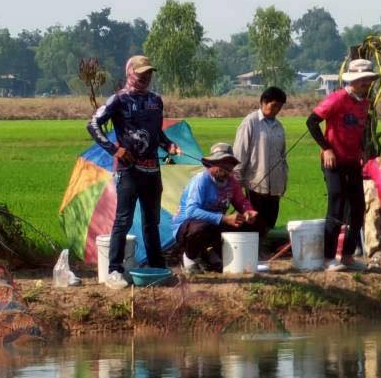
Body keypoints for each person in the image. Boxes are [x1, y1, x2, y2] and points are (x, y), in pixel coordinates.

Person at [88, 55, 181, 288]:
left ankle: (157, 267)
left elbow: (157, 133)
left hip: (152, 170)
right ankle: (115, 270)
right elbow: (93, 124)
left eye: (149, 73)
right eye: (141, 73)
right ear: (130, 72)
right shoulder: (118, 100)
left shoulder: (155, 101)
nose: (145, 77)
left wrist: (168, 145)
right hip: (128, 170)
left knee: (152, 222)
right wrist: (114, 149)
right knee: (124, 219)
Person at [306, 59, 378, 271]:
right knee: (336, 207)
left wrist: (363, 149)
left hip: (352, 161)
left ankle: (347, 255)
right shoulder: (337, 99)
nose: (365, 83)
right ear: (353, 81)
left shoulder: (364, 103)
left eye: (367, 80)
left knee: (357, 209)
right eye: (362, 80)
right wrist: (326, 148)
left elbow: (360, 129)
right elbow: (311, 122)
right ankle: (328, 258)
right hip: (334, 161)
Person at [170, 143, 259, 272]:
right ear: (211, 164)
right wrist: (223, 218)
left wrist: (248, 211)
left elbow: (241, 200)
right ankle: (189, 257)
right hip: (187, 226)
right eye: (222, 163)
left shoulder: (232, 181)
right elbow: (191, 211)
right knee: (202, 228)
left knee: (247, 224)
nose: (226, 168)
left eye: (229, 164)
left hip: (214, 224)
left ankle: (211, 254)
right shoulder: (201, 180)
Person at [233, 86, 288, 254]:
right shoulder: (250, 122)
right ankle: (250, 252)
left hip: (275, 185)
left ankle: (261, 250)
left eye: (279, 107)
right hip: (255, 183)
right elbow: (240, 153)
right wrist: (236, 182)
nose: (276, 110)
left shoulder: (279, 127)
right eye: (273, 106)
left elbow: (283, 156)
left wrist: (284, 181)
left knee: (269, 221)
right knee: (254, 221)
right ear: (263, 103)